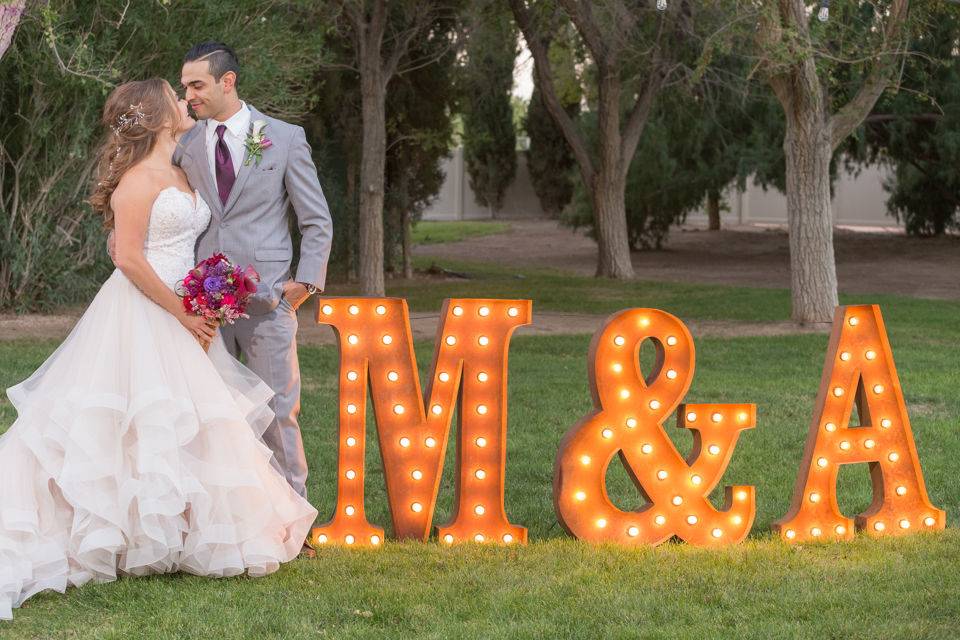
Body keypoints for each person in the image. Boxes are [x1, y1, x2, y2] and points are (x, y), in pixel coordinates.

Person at [0, 77, 318, 621]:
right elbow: (126, 257)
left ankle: (176, 531)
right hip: (146, 311)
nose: (186, 101)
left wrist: (209, 295)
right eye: (177, 96)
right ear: (157, 114)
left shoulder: (182, 168)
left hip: (188, 307)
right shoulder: (136, 180)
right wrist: (182, 310)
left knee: (189, 420)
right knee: (133, 417)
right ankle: (114, 531)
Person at [109, 42, 332, 534]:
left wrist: (304, 283)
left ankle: (294, 524)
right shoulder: (183, 145)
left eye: (196, 85)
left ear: (227, 81)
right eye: (183, 87)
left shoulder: (284, 138)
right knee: (213, 416)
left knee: (277, 410)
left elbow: (316, 220)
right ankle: (229, 523)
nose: (188, 96)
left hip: (267, 300)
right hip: (197, 304)